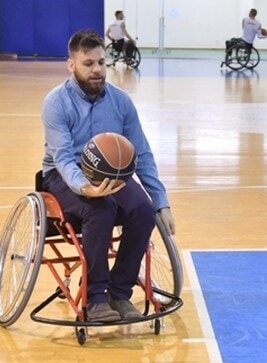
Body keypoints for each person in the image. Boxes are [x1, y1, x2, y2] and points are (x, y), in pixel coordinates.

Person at [40, 29, 175, 323]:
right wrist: (84, 187)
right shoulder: (56, 102)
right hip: (64, 175)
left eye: (101, 62)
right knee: (100, 208)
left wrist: (160, 201)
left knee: (142, 209)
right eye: (88, 63)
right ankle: (96, 297)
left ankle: (120, 292)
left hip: (110, 172)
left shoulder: (121, 101)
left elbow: (142, 153)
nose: (97, 70)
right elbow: (62, 158)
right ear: (71, 65)